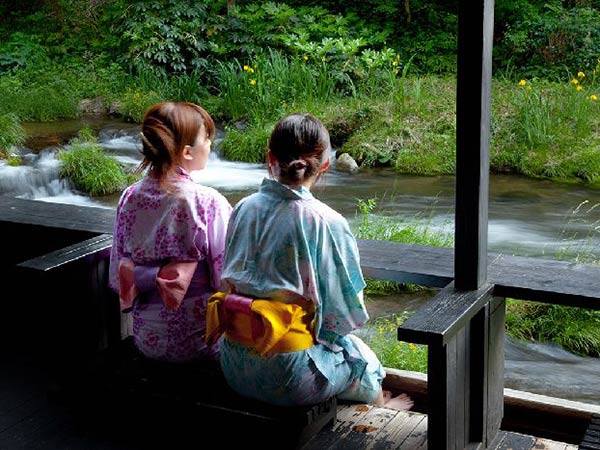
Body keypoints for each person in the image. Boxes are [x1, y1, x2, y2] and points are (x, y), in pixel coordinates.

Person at [206, 113, 413, 410]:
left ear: (269, 158)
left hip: (233, 364)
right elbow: (344, 312)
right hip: (288, 377)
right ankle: (382, 412)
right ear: (325, 164)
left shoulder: (242, 208)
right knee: (361, 359)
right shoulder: (326, 221)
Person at [109, 101, 232, 363]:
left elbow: (115, 272)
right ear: (187, 152)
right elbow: (227, 275)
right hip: (202, 341)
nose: (210, 144)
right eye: (207, 138)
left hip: (146, 338)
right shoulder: (207, 202)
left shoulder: (129, 197)